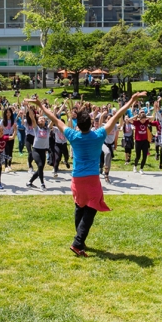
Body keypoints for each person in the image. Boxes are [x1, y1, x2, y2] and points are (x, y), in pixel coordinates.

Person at [29, 91, 144, 257]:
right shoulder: (98, 135)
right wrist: (131, 101)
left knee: (80, 206)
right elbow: (117, 115)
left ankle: (80, 242)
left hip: (76, 179)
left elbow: (54, 119)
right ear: (91, 124)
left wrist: (40, 106)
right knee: (92, 208)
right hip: (91, 179)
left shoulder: (73, 135)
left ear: (79, 124)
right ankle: (77, 242)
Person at [24, 103, 51, 190]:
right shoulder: (36, 128)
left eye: (43, 119)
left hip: (43, 151)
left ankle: (29, 182)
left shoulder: (48, 129)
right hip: (35, 150)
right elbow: (32, 117)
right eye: (40, 119)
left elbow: (53, 120)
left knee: (40, 168)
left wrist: (50, 111)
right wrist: (28, 107)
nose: (42, 120)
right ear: (38, 121)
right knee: (40, 165)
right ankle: (42, 184)